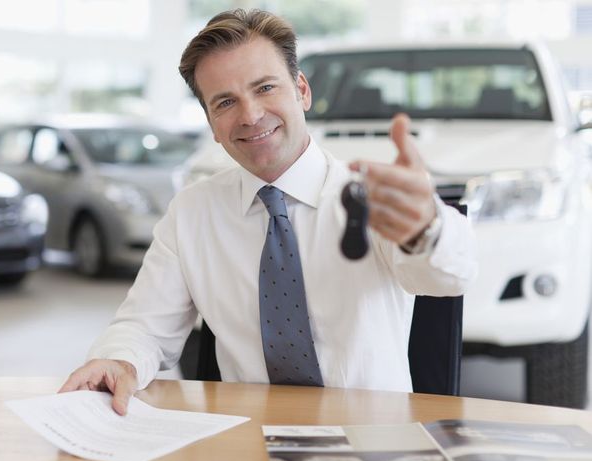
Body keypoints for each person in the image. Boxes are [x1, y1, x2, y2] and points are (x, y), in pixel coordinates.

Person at [60, 9, 477, 415]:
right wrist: (120, 361)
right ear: (210, 123)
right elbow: (144, 327)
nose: (251, 115)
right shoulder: (192, 211)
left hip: (369, 439)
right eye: (225, 102)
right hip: (245, 438)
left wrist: (427, 228)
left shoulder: (369, 193)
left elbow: (449, 277)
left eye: (265, 88)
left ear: (302, 91)